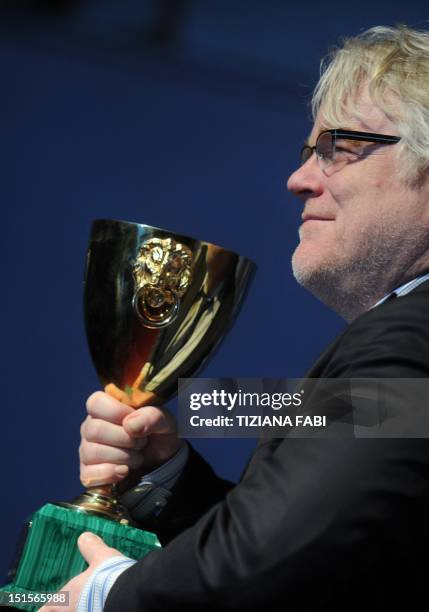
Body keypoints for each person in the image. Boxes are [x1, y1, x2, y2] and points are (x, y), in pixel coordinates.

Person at [41, 24, 429, 611]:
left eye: (338, 147)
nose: (299, 180)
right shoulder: (403, 342)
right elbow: (325, 554)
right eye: (308, 152)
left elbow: (275, 558)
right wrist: (168, 480)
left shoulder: (411, 342)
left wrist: (109, 595)